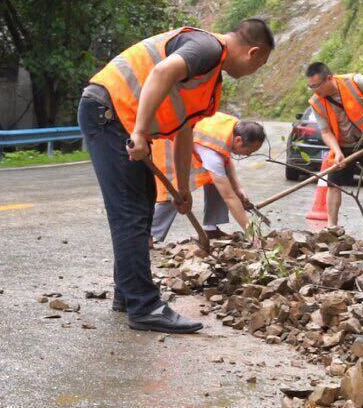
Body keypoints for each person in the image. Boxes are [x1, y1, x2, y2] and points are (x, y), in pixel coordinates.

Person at [78, 19, 274, 334]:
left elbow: (184, 132)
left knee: (141, 211)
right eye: (260, 64)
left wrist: (182, 190)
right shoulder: (208, 47)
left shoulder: (210, 82)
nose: (255, 70)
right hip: (110, 113)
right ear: (254, 53)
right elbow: (160, 72)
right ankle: (145, 306)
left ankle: (127, 295)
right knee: (129, 212)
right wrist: (140, 133)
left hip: (121, 118)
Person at [305, 62, 363, 234]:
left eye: (317, 85)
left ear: (329, 78)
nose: (314, 90)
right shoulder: (316, 102)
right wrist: (338, 151)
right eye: (310, 86)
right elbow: (326, 131)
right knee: (333, 184)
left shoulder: (355, 81)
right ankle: (331, 226)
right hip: (344, 143)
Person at [150, 113, 265, 244]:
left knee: (221, 180)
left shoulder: (233, 127)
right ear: (238, 140)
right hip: (169, 147)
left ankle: (210, 229)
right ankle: (149, 235)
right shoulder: (212, 154)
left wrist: (238, 188)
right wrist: (253, 235)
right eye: (250, 150)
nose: (249, 154)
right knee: (173, 192)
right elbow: (229, 198)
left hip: (192, 141)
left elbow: (225, 158)